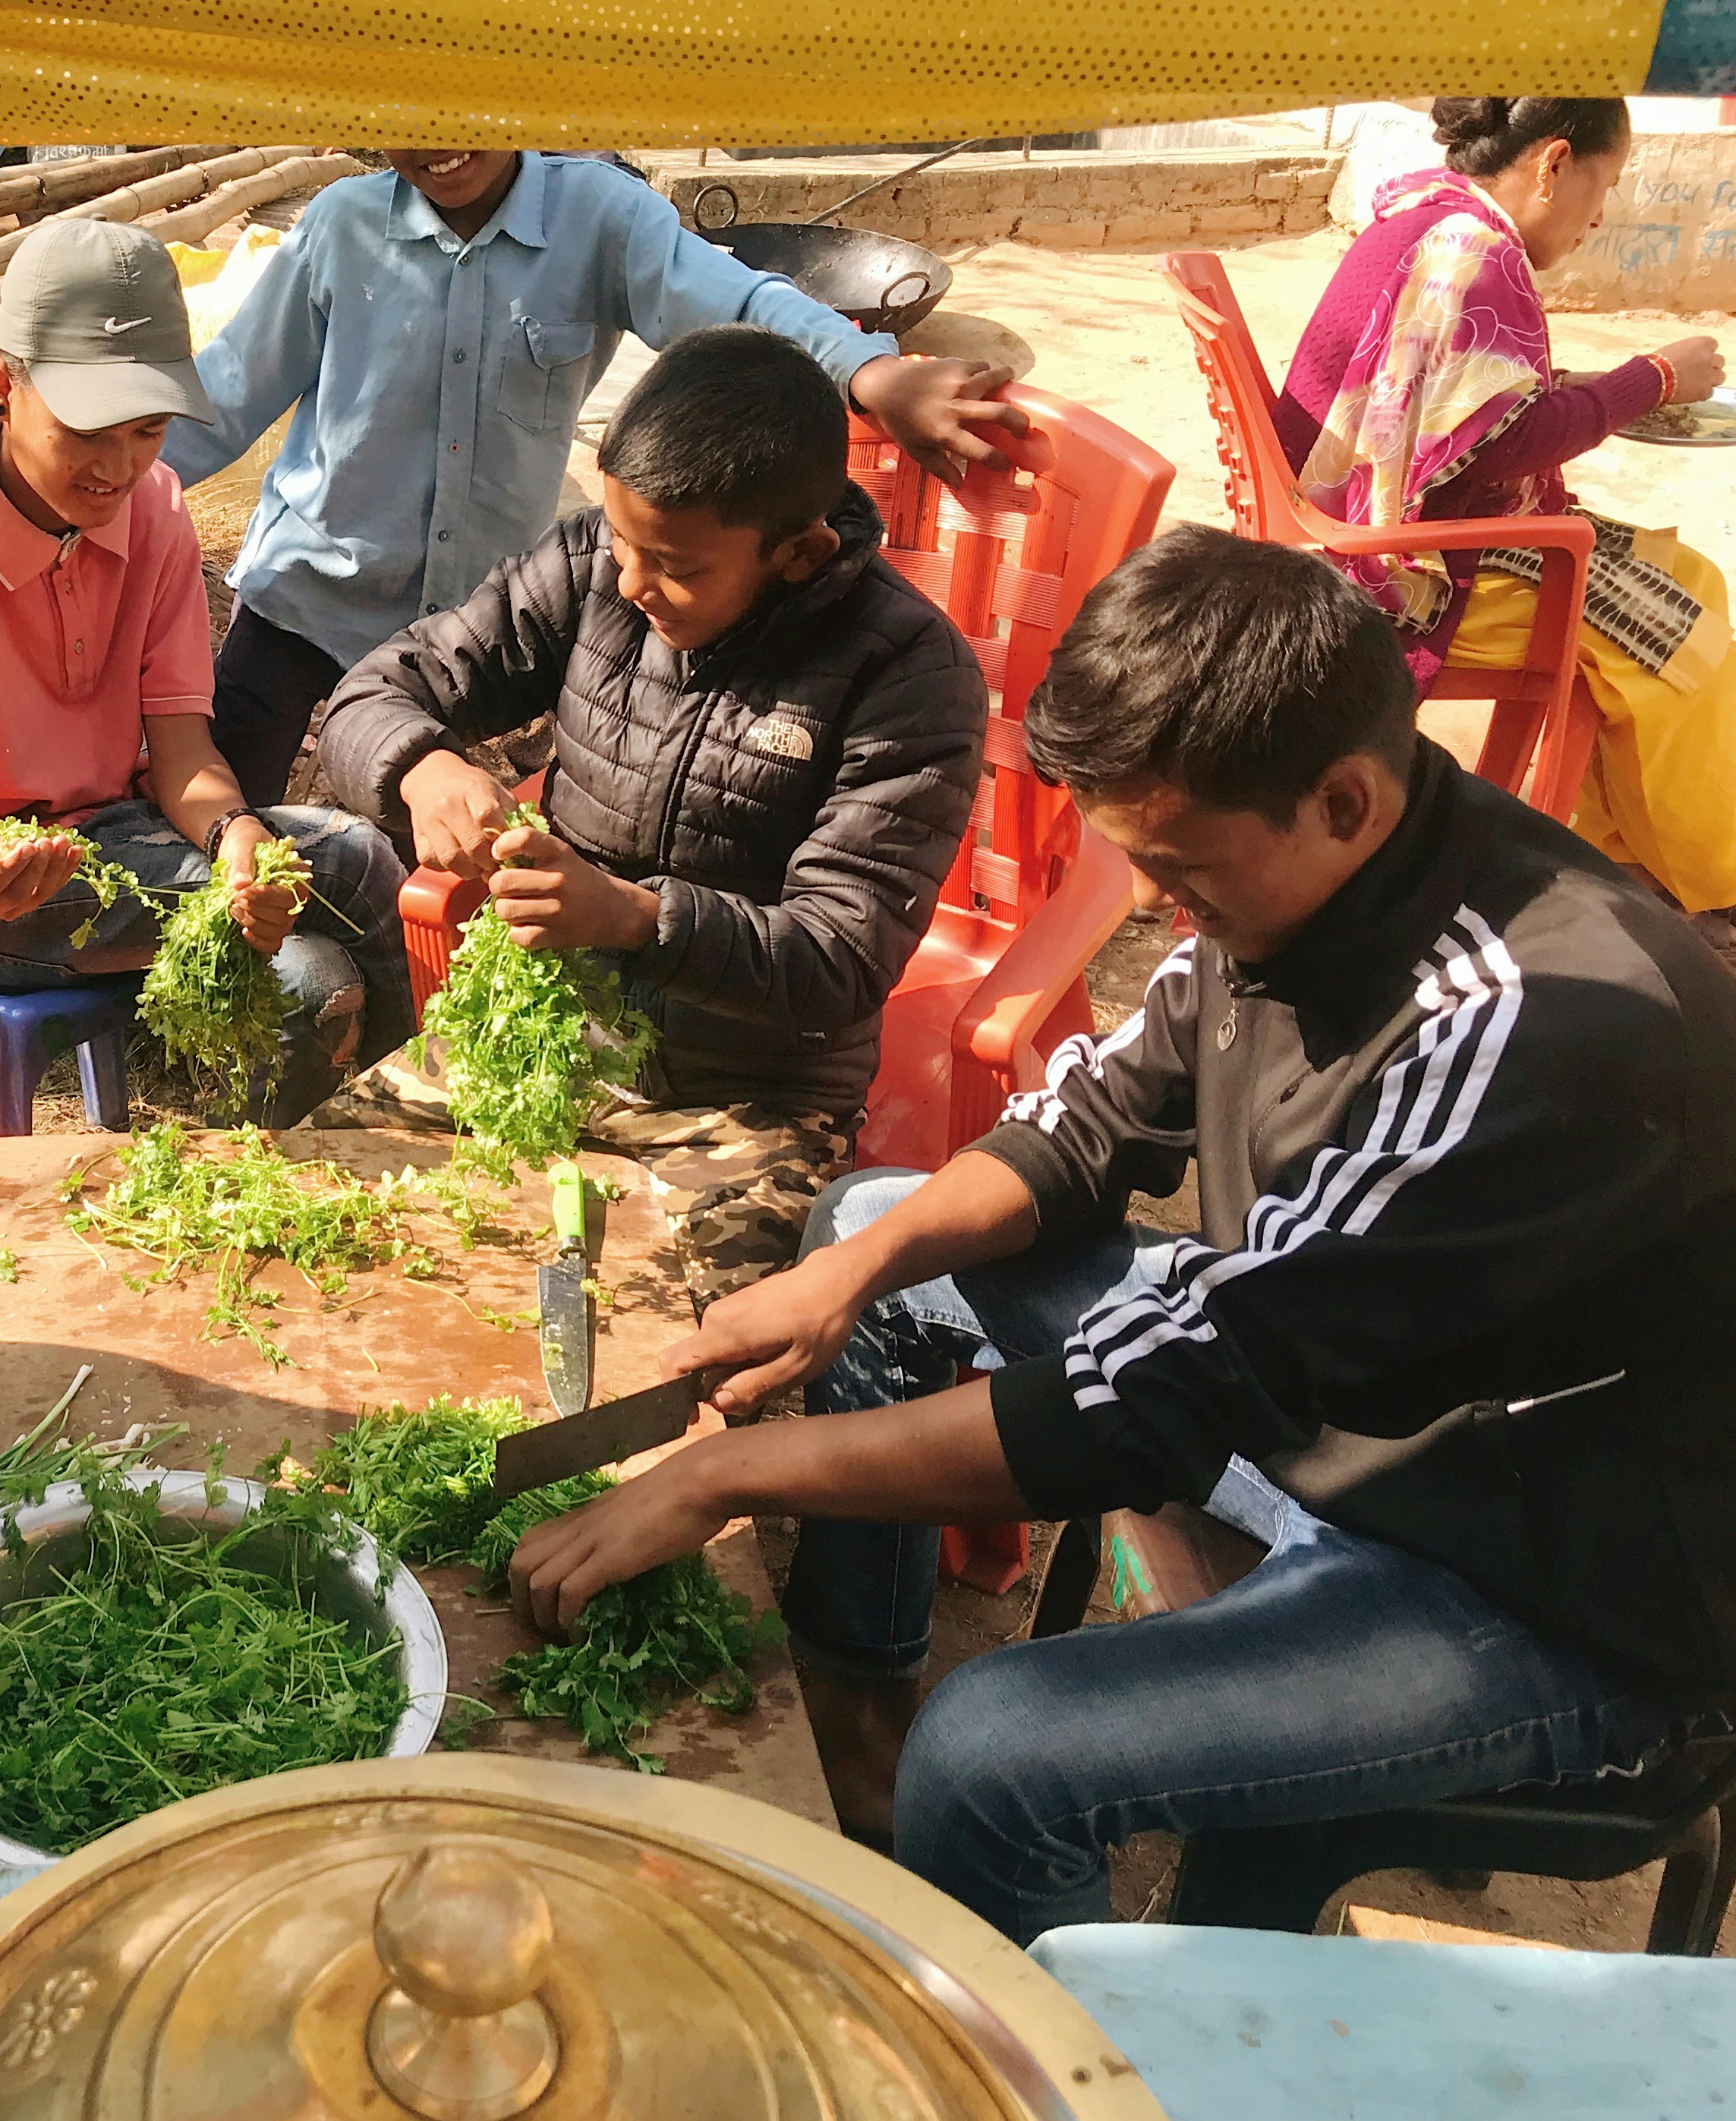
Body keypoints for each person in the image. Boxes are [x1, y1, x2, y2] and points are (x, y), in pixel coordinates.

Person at [505, 527, 1736, 1942]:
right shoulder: (1301, 871)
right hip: (1332, 1406)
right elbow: (1085, 1128)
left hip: (1542, 1578)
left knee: (998, 1753)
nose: (1155, 907)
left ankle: (1056, 2030)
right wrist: (842, 1275)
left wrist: (730, 1472)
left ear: (1341, 799)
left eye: (1181, 870)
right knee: (870, 1229)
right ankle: (855, 1711)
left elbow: (1166, 1396)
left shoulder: (1532, 1025)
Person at [318, 326, 986, 1309]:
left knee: (690, 1350)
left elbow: (840, 959)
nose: (631, 585)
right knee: (322, 1224)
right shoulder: (595, 564)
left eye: (674, 566)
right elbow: (373, 693)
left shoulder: (908, 675)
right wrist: (421, 768)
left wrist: (635, 919)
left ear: (799, 554)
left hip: (741, 1098)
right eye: (622, 543)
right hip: (538, 1040)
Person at [162, 148, 1026, 805]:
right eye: (408, 113)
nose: (437, 139)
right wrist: (109, 483)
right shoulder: (341, 229)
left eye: (466, 105)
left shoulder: (600, 220)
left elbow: (737, 302)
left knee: (419, 841)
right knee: (223, 817)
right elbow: (228, 392)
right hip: (305, 600)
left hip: (459, 627)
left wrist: (869, 371)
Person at [0, 219, 411, 1127]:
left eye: (148, 430)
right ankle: (416, 1114)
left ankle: (325, 1163)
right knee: (353, 858)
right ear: (2, 389)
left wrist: (234, 835)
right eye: (86, 431)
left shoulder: (154, 510)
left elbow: (183, 752)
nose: (117, 467)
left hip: (119, 836)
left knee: (313, 977)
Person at [1279, 95, 1736, 960]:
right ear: (1553, 163)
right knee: (1686, 647)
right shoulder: (1474, 250)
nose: (1599, 216)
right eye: (1603, 185)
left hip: (1355, 524)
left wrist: (1593, 386)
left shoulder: (1425, 213)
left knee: (1697, 581)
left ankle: (1631, 861)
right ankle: (1715, 885)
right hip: (1408, 567)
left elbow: (1447, 396)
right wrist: (1650, 378)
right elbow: (1504, 441)